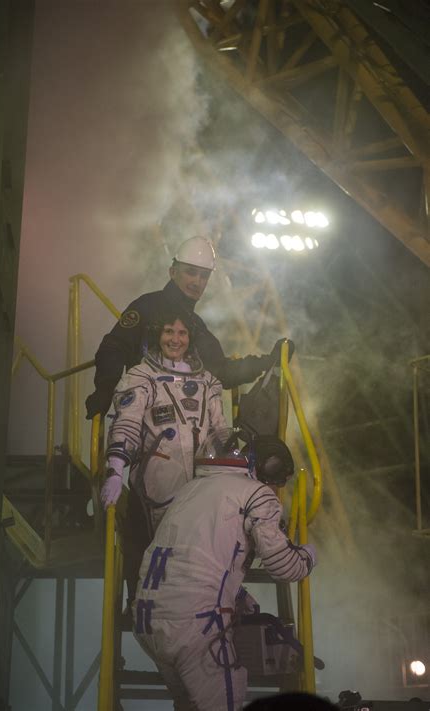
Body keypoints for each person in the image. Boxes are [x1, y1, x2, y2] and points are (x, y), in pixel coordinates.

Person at [133, 428, 317, 711]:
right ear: (268, 469)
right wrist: (309, 555)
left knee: (188, 705)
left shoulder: (191, 489)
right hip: (194, 624)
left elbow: (195, 559)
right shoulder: (256, 494)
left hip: (147, 620)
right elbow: (283, 567)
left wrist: (238, 597)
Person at [86, 236, 293, 419]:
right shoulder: (146, 307)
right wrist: (105, 388)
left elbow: (221, 371)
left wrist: (268, 362)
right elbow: (114, 346)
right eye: (191, 273)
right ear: (173, 272)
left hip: (185, 419)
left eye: (204, 276)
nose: (197, 281)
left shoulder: (196, 326)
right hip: (145, 418)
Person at [100, 308, 228, 602]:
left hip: (201, 487)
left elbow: (220, 433)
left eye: (182, 332)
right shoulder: (141, 376)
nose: (175, 339)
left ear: (190, 338)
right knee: (153, 557)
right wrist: (115, 471)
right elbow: (127, 425)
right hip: (156, 488)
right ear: (157, 335)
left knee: (200, 558)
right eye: (169, 331)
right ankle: (143, 604)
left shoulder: (208, 382)